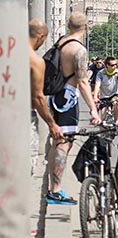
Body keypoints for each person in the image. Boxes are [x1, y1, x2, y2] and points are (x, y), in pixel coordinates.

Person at [44, 13, 98, 205]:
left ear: (68, 25)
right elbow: (82, 82)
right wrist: (93, 109)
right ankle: (56, 190)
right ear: (86, 27)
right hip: (68, 98)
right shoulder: (78, 50)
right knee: (64, 143)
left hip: (56, 95)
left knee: (56, 141)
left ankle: (53, 188)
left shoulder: (61, 42)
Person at [29, 19, 62, 170]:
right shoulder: (35, 61)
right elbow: (37, 97)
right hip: (23, 118)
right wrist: (52, 124)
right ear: (41, 36)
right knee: (25, 167)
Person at [93, 55, 118, 123]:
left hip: (114, 94)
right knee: (103, 117)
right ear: (107, 65)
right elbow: (97, 85)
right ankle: (102, 132)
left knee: (116, 104)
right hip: (104, 95)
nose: (115, 67)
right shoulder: (101, 73)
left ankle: (117, 121)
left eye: (116, 64)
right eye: (112, 65)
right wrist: (95, 97)